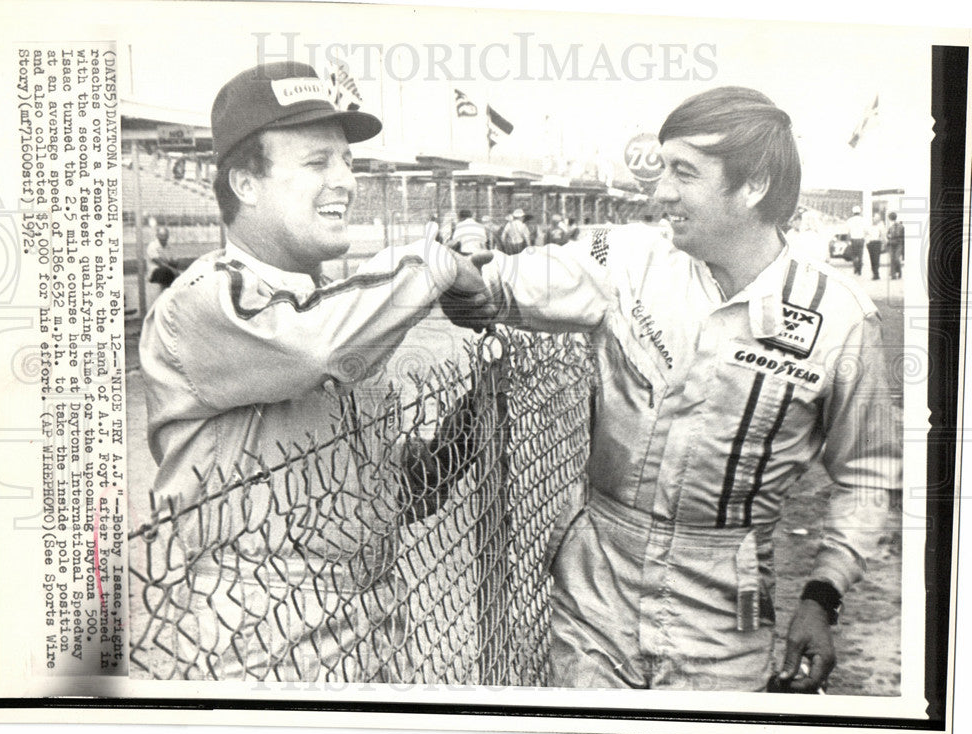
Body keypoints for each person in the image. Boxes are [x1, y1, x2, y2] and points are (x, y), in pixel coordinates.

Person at [441, 86, 900, 692]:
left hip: (725, 623)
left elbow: (867, 474)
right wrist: (460, 272)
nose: (660, 192)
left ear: (754, 186)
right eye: (662, 169)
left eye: (684, 172)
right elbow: (490, 292)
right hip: (595, 598)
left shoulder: (840, 320)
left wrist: (823, 595)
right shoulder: (626, 262)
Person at [139, 60, 486, 680]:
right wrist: (436, 263)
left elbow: (372, 491)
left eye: (348, 162)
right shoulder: (202, 299)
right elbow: (312, 350)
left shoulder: (338, 303)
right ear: (246, 183)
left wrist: (468, 425)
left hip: (372, 623)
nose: (345, 181)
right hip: (256, 637)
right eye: (317, 162)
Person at [146, 225, 179, 305]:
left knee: (177, 276)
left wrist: (168, 263)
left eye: (166, 235)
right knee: (165, 271)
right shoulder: (152, 246)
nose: (164, 238)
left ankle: (171, 299)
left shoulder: (169, 247)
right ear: (157, 236)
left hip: (168, 271)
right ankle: (164, 299)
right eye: (161, 235)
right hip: (155, 272)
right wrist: (170, 266)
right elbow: (159, 263)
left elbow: (176, 262)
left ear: (168, 236)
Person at [865, 211, 886, 280]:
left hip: (877, 243)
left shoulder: (881, 225)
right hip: (871, 243)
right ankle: (874, 273)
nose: (875, 219)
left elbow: (882, 235)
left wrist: (883, 243)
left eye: (877, 218)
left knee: (876, 259)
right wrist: (867, 242)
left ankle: (876, 274)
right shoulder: (869, 225)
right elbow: (866, 233)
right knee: (872, 259)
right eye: (875, 217)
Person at [846, 205, 866, 276]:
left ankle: (855, 268)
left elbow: (848, 232)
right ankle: (859, 270)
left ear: (853, 212)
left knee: (854, 255)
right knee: (860, 255)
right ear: (860, 212)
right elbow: (865, 231)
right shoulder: (863, 220)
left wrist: (848, 241)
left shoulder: (850, 220)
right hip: (861, 239)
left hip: (853, 239)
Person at [886, 211, 904, 279]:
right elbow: (887, 235)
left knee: (896, 258)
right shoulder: (890, 226)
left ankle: (898, 271)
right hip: (891, 243)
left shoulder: (900, 226)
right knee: (893, 258)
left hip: (898, 243)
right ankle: (893, 275)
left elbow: (901, 235)